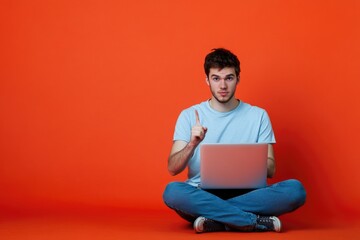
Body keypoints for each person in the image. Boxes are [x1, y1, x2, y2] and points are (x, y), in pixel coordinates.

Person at [162, 48, 306, 233]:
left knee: (295, 190)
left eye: (229, 78)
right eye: (216, 78)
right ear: (207, 80)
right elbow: (173, 168)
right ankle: (251, 221)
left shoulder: (258, 115)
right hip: (203, 194)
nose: (223, 86)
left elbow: (271, 169)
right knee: (172, 192)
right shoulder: (189, 115)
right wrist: (192, 144)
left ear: (238, 78)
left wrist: (247, 159)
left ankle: (215, 219)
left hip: (249, 194)